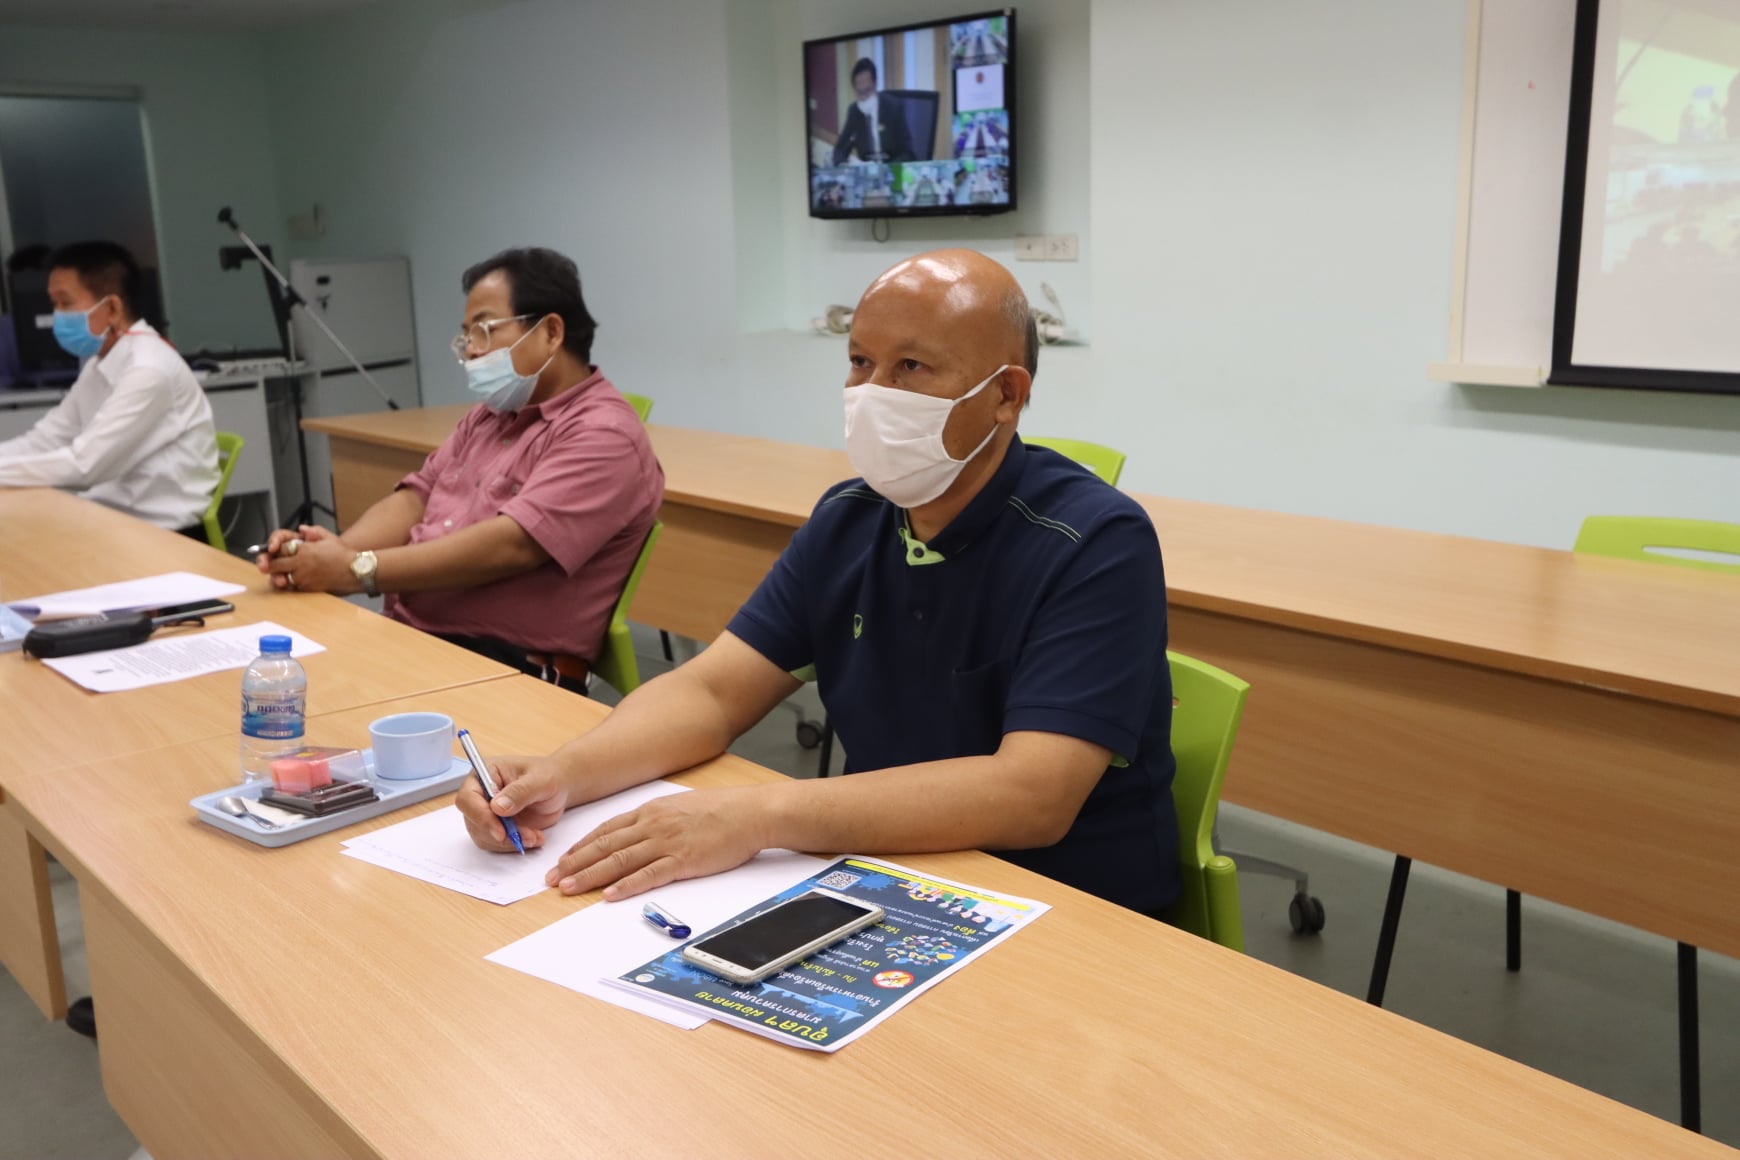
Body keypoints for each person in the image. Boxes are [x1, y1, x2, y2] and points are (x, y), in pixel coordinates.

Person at [458, 249, 1179, 917]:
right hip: (886, 870)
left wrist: (759, 816)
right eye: (861, 362)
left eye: (911, 367)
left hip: (1065, 905)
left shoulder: (1096, 541)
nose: (872, 393)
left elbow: (1032, 795)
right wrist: (565, 774)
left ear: (1005, 396)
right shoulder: (849, 519)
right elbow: (712, 692)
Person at [257, 247, 663, 688]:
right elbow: (417, 498)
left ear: (550, 332)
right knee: (272, 685)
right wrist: (329, 555)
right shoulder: (490, 416)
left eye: (484, 330)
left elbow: (512, 545)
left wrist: (358, 569)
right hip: (419, 636)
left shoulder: (604, 434)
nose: (470, 350)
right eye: (466, 335)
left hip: (509, 667)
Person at [0, 241, 218, 532]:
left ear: (112, 308)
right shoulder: (100, 362)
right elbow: (47, 439)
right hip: (113, 523)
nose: (57, 316)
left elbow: (84, 466)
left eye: (66, 303)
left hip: (166, 537)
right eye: (54, 304)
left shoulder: (148, 369)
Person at [832, 57, 914, 165]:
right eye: (859, 92)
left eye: (867, 91)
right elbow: (839, 150)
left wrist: (885, 170)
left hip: (891, 168)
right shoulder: (854, 111)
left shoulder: (893, 107)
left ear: (875, 84)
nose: (864, 97)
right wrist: (843, 165)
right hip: (866, 171)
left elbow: (907, 152)